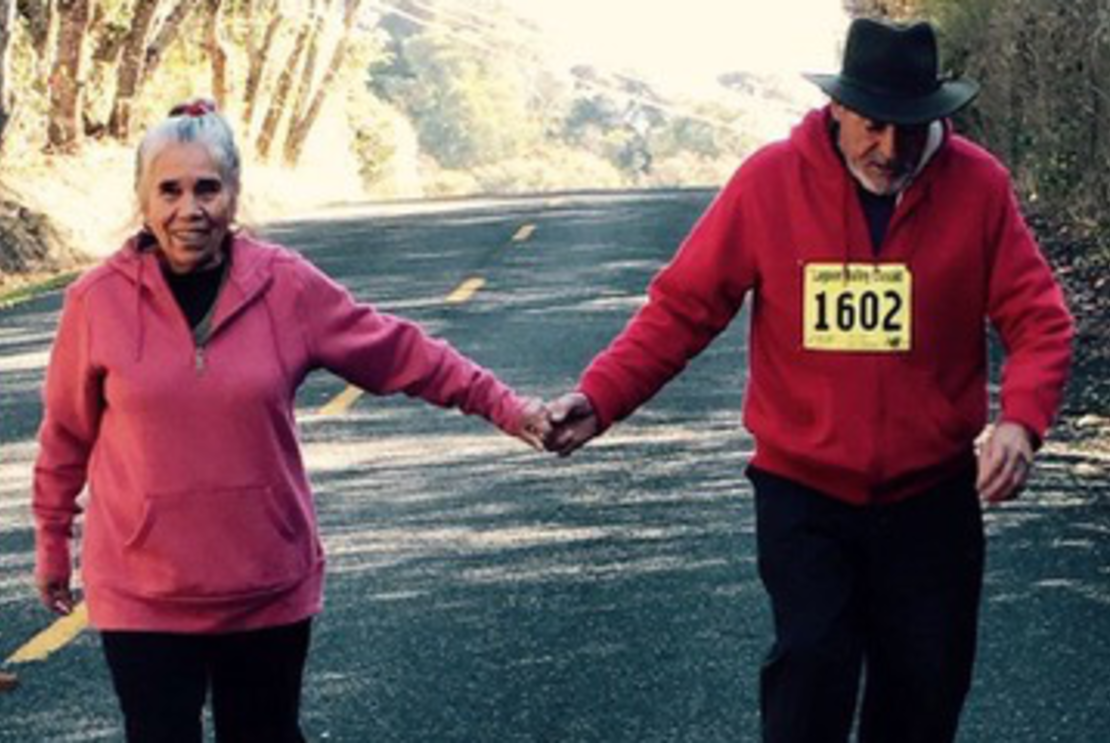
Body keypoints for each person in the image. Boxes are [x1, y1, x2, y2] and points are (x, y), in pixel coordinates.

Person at [544, 18, 1073, 743]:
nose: (891, 148)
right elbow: (683, 310)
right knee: (812, 671)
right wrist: (600, 396)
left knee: (924, 692)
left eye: (913, 127)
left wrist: (1021, 420)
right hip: (805, 494)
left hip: (931, 499)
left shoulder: (978, 186)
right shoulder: (769, 182)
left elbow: (1039, 318)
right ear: (838, 110)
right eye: (875, 125)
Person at [32, 99, 549, 743]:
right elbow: (65, 435)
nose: (189, 209)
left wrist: (508, 407)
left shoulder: (285, 287)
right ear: (143, 198)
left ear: (234, 196)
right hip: (143, 590)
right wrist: (52, 540)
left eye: (207, 189)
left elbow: (402, 352)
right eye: (169, 189)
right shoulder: (96, 301)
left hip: (265, 584)